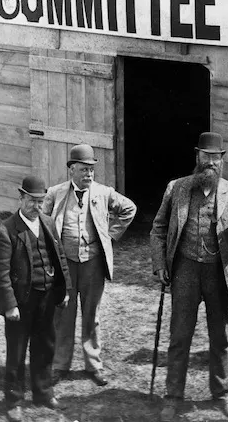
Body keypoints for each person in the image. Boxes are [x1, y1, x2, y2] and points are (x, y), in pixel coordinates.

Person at [150, 132, 228, 422]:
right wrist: (160, 264)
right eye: (206, 156)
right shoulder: (178, 188)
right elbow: (158, 228)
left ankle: (221, 395)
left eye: (216, 157)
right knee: (180, 336)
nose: (211, 162)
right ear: (197, 156)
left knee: (220, 337)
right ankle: (173, 396)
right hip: (185, 270)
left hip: (218, 273)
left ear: (222, 160)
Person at [42, 143, 137, 386]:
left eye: (91, 170)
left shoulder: (103, 193)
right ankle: (59, 365)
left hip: (93, 263)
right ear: (71, 170)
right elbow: (41, 222)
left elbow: (129, 209)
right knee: (63, 313)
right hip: (65, 264)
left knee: (91, 314)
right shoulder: (56, 193)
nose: (89, 175)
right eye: (84, 170)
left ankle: (93, 366)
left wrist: (110, 235)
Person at [0, 176, 71, 422]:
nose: (36, 207)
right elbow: (0, 273)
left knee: (45, 346)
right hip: (21, 303)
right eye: (32, 201)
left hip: (46, 298)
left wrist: (64, 290)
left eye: (40, 201)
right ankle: (14, 401)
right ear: (21, 198)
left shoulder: (47, 222)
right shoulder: (6, 230)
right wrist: (10, 305)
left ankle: (43, 393)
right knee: (16, 352)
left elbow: (60, 258)